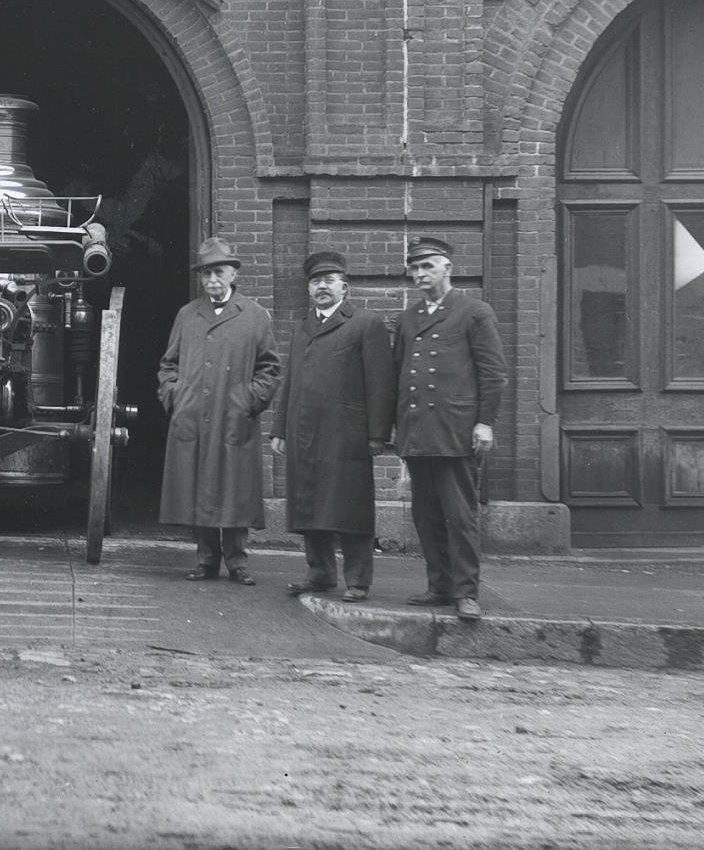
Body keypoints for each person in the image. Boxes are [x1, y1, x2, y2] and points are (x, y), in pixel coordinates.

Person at [392, 236, 507, 621]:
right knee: (425, 515)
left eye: (427, 266)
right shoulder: (409, 318)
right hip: (418, 432)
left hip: (456, 432)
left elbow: (494, 374)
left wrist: (486, 422)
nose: (420, 274)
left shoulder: (474, 312)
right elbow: (399, 374)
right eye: (414, 268)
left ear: (447, 268)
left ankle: (465, 592)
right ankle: (439, 586)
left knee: (460, 516)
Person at [269, 249, 395, 601]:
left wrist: (377, 435)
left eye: (328, 281)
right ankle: (320, 574)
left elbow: (381, 383)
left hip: (347, 436)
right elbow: (291, 380)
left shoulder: (365, 324)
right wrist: (279, 429)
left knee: (351, 509)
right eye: (315, 281)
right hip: (305, 433)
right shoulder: (303, 328)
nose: (321, 287)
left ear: (345, 287)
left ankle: (358, 581)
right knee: (310, 505)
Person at [157, 237, 282, 585]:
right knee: (201, 487)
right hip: (195, 415)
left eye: (219, 272)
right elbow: (168, 364)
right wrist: (175, 395)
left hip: (233, 416)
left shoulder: (254, 316)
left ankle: (238, 561)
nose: (212, 280)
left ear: (233, 274)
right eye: (206, 273)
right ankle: (206, 559)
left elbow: (270, 368)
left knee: (234, 489)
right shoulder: (187, 314)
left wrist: (249, 400)